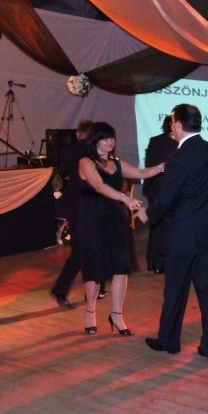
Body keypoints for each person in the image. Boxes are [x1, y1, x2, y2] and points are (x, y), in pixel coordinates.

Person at [137, 104, 208, 363]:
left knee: (175, 291)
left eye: (172, 122)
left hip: (184, 236)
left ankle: (169, 341)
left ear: (177, 125)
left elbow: (168, 197)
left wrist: (147, 214)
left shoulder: (178, 157)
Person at [77, 121, 164, 336]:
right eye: (105, 138)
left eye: (112, 138)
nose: (110, 142)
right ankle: (90, 312)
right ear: (95, 141)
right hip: (92, 220)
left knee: (121, 266)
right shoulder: (86, 162)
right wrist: (125, 198)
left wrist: (163, 166)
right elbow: (99, 186)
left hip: (115, 219)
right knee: (95, 268)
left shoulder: (116, 162)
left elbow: (140, 173)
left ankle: (116, 315)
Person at [50, 120, 107, 309]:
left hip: (73, 207)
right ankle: (64, 290)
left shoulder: (68, 152)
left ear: (77, 133)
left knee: (84, 250)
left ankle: (94, 288)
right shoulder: (94, 151)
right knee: (88, 250)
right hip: (90, 205)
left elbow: (61, 175)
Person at [143, 115, 177, 275]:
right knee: (159, 226)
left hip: (168, 190)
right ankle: (157, 261)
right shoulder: (159, 141)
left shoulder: (179, 142)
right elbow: (151, 165)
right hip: (159, 189)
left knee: (164, 226)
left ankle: (157, 260)